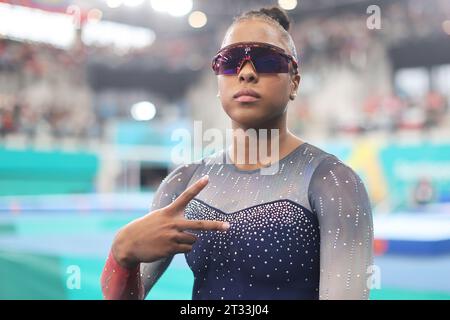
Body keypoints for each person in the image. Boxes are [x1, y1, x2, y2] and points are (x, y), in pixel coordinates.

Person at [100, 6, 374, 300]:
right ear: (218, 82)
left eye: (267, 60)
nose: (246, 73)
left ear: (294, 81)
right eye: (230, 62)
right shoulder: (182, 183)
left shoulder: (333, 182)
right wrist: (121, 253)